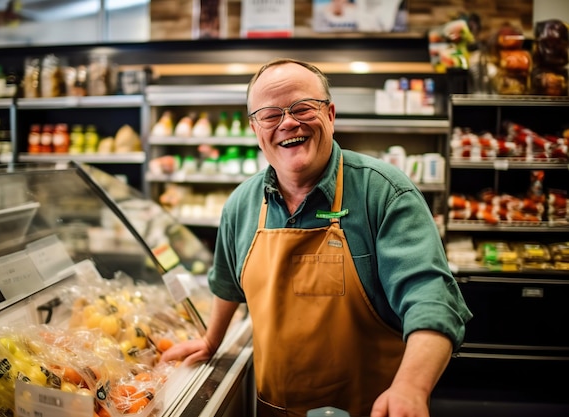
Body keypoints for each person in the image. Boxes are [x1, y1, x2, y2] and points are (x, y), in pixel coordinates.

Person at [161, 58, 473, 417]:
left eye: (302, 108)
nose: (288, 122)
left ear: (330, 114)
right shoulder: (241, 205)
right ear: (255, 128)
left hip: (376, 408)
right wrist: (210, 340)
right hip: (275, 408)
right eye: (270, 114)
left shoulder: (384, 193)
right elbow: (227, 284)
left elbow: (431, 300)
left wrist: (411, 386)